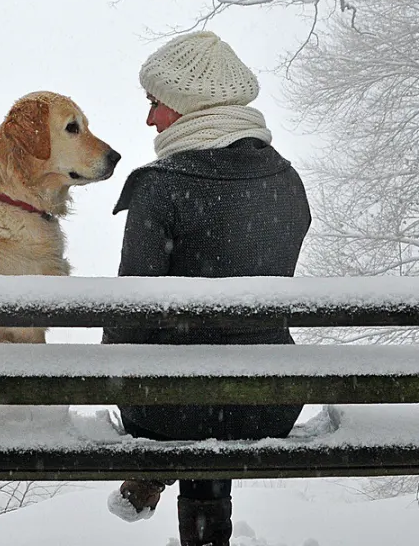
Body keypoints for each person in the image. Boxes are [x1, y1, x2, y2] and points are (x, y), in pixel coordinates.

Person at [103, 32, 311, 546]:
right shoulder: (288, 181)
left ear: (189, 103)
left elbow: (132, 313)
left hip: (171, 405)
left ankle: (157, 469)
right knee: (215, 384)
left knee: (186, 390)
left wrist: (113, 379)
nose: (150, 120)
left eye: (155, 103)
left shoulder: (159, 185)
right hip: (269, 402)